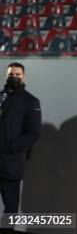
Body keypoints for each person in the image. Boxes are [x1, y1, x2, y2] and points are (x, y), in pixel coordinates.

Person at [0, 63, 42, 215]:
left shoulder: (31, 102)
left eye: (18, 74)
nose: (14, 77)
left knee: (10, 210)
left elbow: (33, 133)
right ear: (6, 76)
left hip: (11, 164)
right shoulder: (0, 96)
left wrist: (11, 147)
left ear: (23, 77)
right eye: (11, 74)